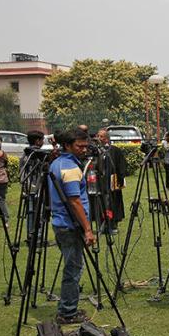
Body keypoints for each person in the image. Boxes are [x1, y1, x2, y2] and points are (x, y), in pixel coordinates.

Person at [48, 128, 95, 324]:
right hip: (70, 225)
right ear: (67, 146)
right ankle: (68, 312)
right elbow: (74, 201)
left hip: (62, 223)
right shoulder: (69, 168)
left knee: (72, 266)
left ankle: (67, 308)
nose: (84, 150)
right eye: (79, 146)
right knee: (73, 269)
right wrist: (88, 229)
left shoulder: (58, 162)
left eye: (85, 146)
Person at [97, 128, 127, 233]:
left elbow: (121, 165)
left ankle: (113, 224)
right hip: (100, 182)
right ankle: (102, 224)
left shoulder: (114, 150)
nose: (99, 139)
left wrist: (121, 178)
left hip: (113, 180)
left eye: (102, 137)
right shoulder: (97, 150)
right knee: (101, 202)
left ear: (107, 139)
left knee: (113, 201)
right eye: (98, 136)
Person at [19, 130, 46, 240]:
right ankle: (36, 236)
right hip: (36, 186)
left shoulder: (24, 154)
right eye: (42, 140)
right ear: (37, 141)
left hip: (28, 186)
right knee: (37, 213)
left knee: (30, 212)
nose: (43, 142)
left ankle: (31, 235)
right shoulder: (36, 155)